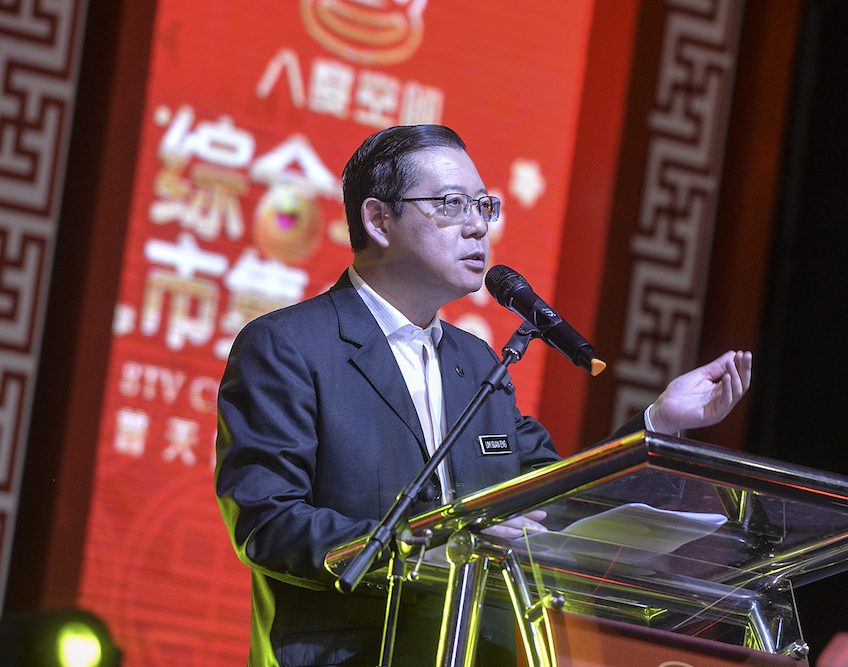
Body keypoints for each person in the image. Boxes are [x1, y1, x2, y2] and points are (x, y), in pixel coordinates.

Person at [215, 124, 752, 667]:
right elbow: (267, 520)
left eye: (483, 204)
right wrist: (426, 550)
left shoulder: (476, 362)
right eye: (450, 204)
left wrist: (657, 423)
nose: (477, 226)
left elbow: (553, 499)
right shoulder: (288, 346)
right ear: (379, 220)